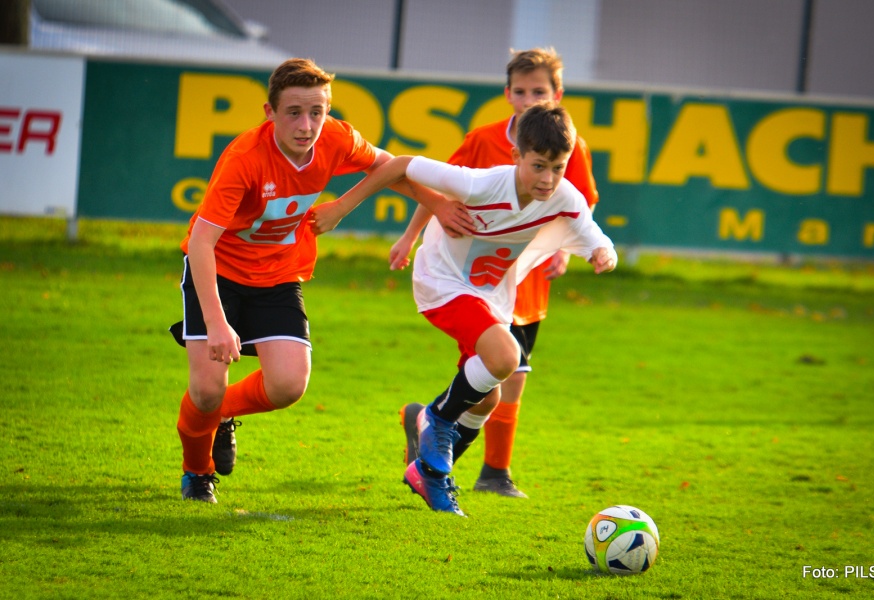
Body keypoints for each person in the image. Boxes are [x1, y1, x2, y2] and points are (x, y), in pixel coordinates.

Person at [169, 57, 474, 504]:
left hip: (277, 273)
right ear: (270, 112)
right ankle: (198, 474)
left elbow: (394, 167)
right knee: (206, 389)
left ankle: (221, 414)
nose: (306, 125)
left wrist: (439, 206)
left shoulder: (336, 137)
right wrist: (217, 323)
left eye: (317, 112)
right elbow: (200, 241)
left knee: (288, 385)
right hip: (219, 270)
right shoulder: (245, 159)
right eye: (293, 112)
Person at [325, 103, 616, 515]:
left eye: (558, 168)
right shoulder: (481, 184)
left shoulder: (563, 195)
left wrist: (604, 253)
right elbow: (402, 165)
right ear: (516, 155)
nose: (548, 179)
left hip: (490, 295)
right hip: (443, 281)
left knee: (485, 399)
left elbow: (591, 232)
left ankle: (429, 474)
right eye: (538, 166)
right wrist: (340, 208)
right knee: (505, 357)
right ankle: (436, 419)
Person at [391, 48, 600, 499]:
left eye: (539, 92)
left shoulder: (571, 144)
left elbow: (580, 207)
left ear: (558, 94)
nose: (529, 100)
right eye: (520, 92)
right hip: (469, 273)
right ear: (507, 95)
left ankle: (467, 466)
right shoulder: (483, 140)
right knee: (503, 369)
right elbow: (440, 189)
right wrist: (410, 236)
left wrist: (569, 249)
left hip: (525, 275)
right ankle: (481, 468)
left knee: (507, 377)